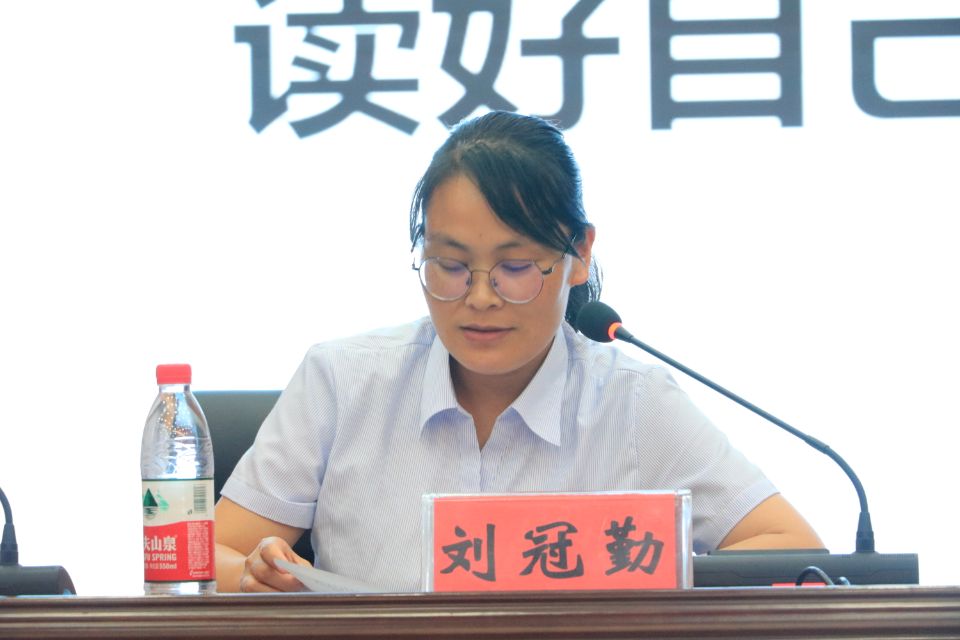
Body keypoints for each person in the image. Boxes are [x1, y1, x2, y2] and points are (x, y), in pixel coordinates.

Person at [214, 111, 822, 593]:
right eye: (450, 265)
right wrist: (251, 576)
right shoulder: (342, 382)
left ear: (578, 254)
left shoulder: (633, 402)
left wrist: (649, 578)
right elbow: (207, 554)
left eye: (514, 266)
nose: (480, 297)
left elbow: (795, 553)